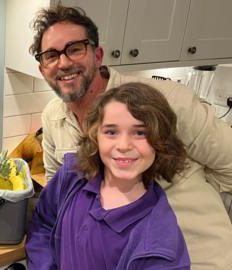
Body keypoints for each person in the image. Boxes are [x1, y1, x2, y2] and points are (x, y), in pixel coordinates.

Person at [31, 5, 232, 269]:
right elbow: (56, 204)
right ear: (43, 69)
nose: (64, 62)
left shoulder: (168, 101)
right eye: (51, 55)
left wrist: (197, 198)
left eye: (75, 48)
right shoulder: (52, 118)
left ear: (98, 54)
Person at [26, 82, 191, 269]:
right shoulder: (72, 176)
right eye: (111, 132)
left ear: (161, 140)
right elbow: (43, 225)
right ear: (96, 135)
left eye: (139, 132)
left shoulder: (160, 248)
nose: (123, 145)